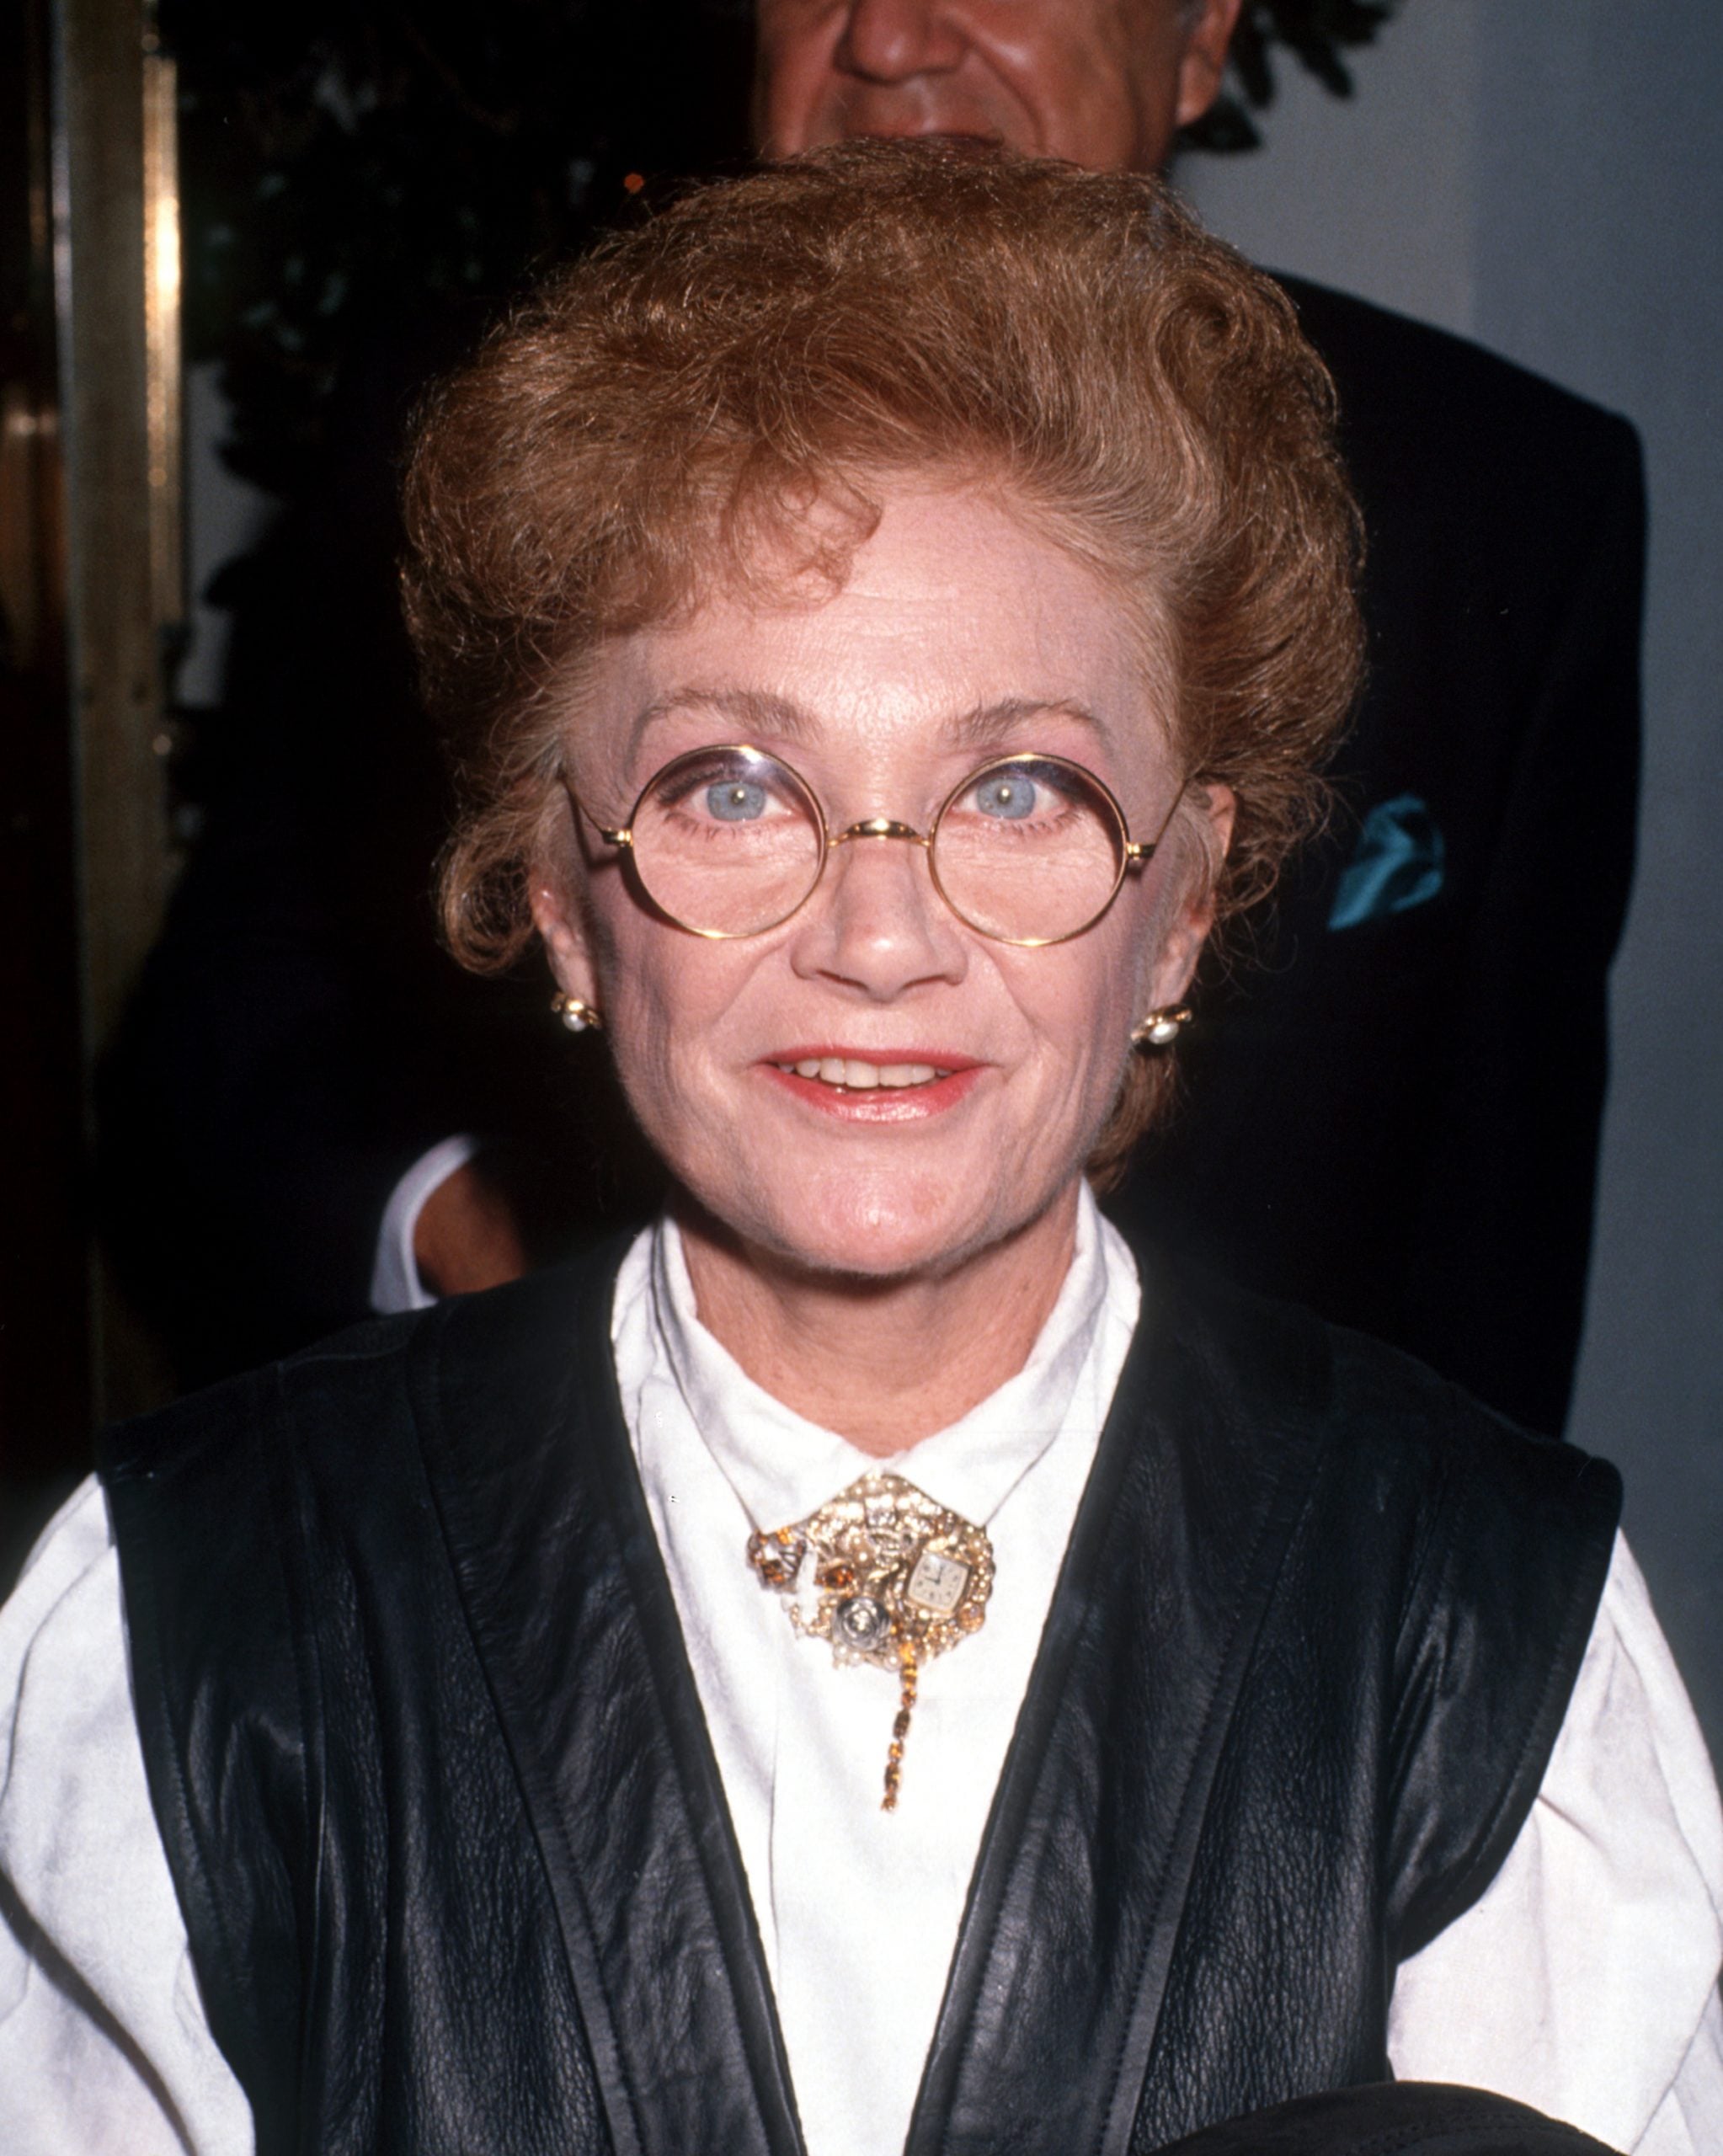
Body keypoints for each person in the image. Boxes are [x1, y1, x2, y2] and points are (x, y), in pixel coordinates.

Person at [5, 147, 1715, 2154]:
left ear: (1184, 900)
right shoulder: (192, 1613)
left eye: (1020, 787)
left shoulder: (1484, 1627)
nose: (880, 936)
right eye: (735, 786)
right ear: (560, 897)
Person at [105, 0, 1642, 1444]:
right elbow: (245, 1010)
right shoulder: (486, 435)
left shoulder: (1497, 496)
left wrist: (1427, 1590)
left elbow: (1496, 1224)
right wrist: (491, 1241)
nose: (891, 41)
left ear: (1198, 39)